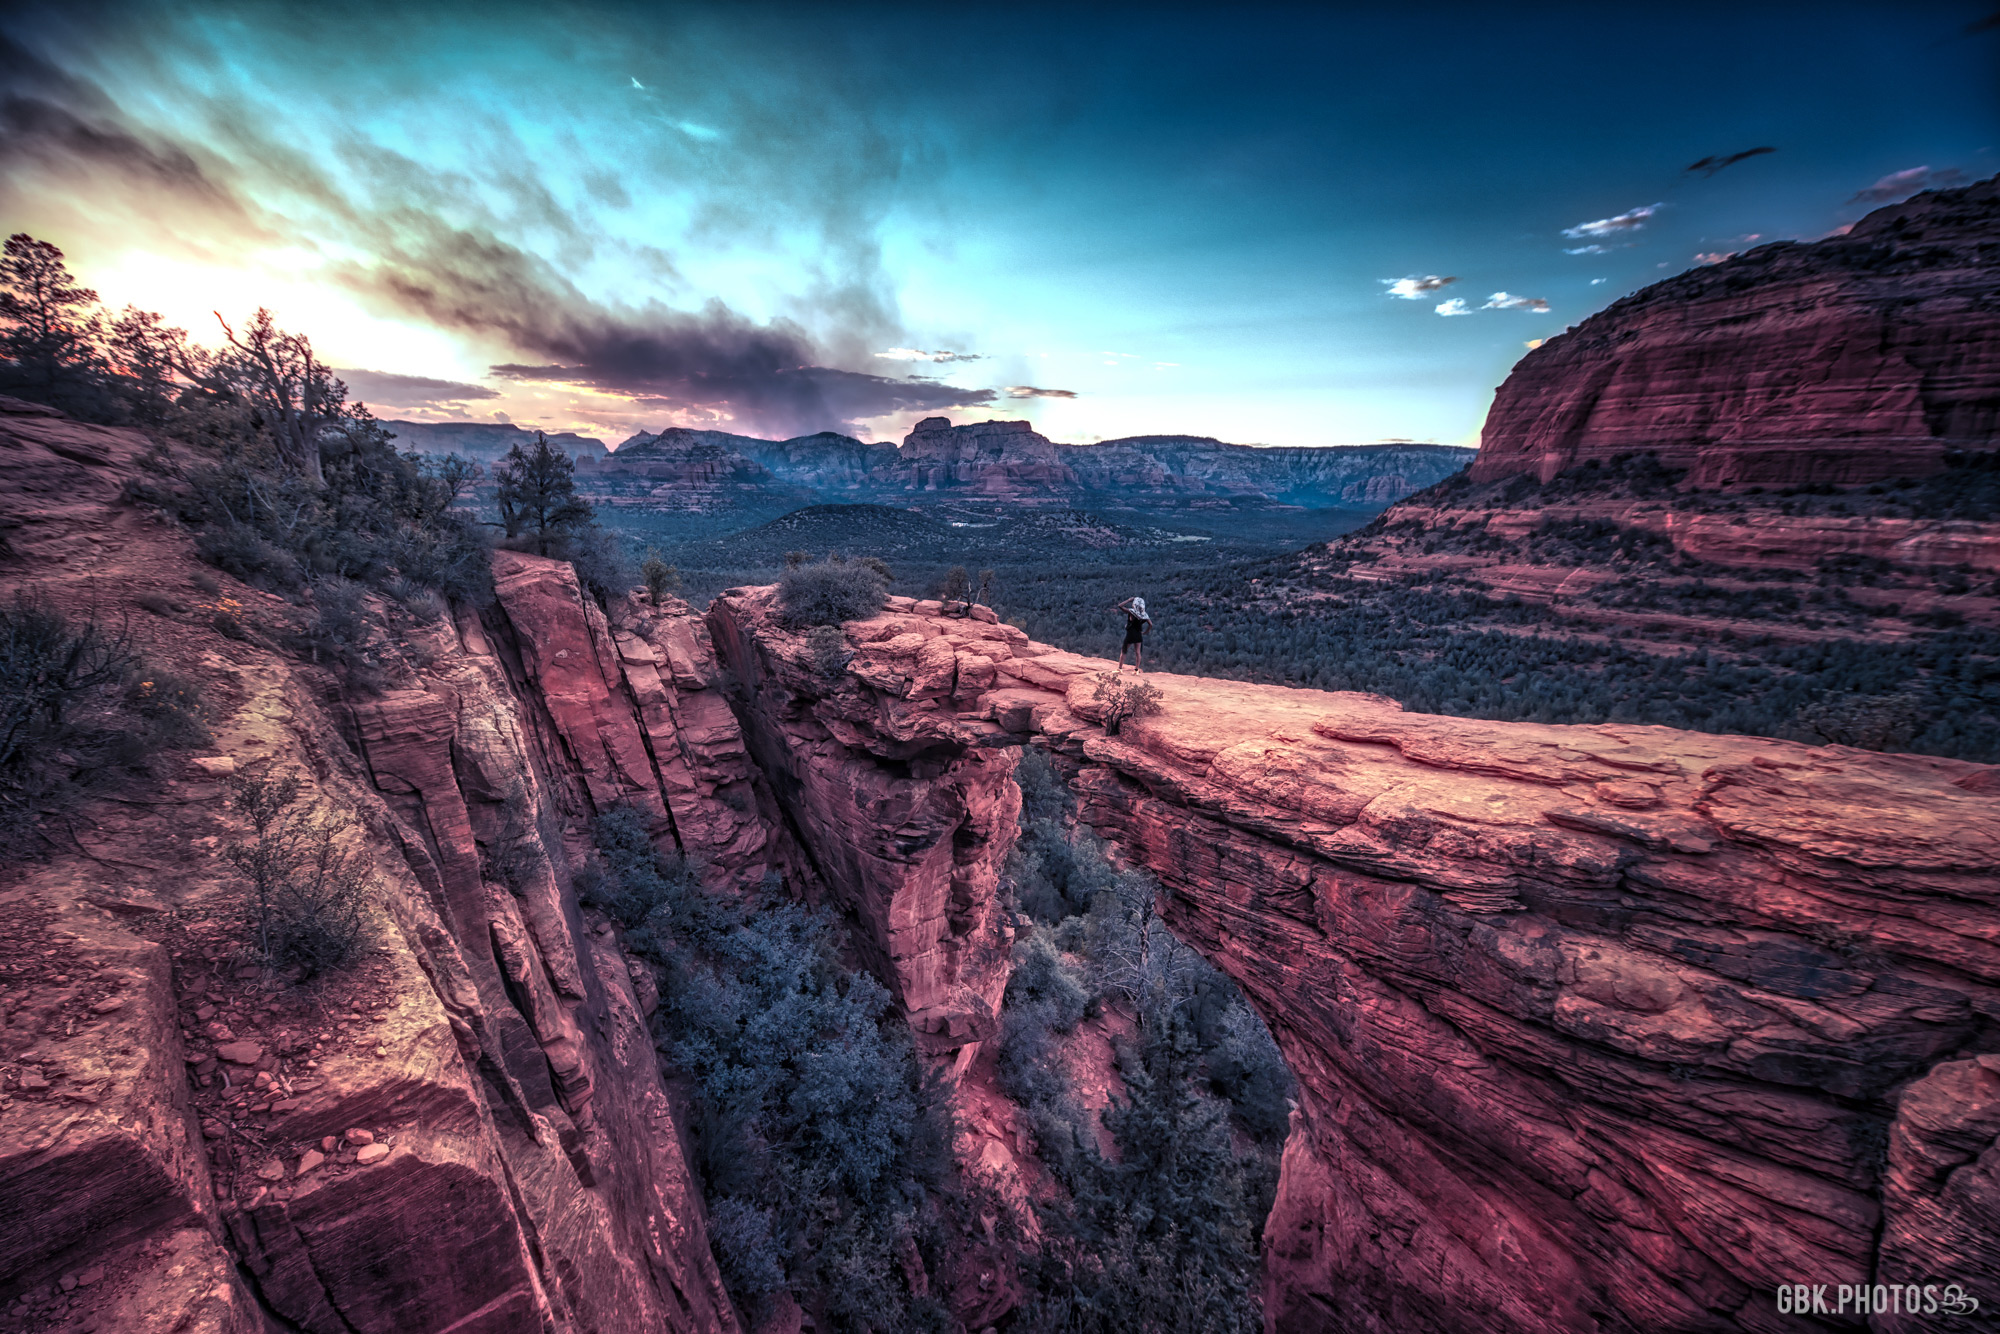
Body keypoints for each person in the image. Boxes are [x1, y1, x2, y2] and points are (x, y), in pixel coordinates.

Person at [1115, 595, 1151, 671]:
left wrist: (1128, 600)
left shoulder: (1132, 612)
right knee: (1138, 652)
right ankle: (1136, 670)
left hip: (1130, 634)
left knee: (1124, 651)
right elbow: (1151, 624)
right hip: (1138, 635)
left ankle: (1120, 669)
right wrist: (1145, 632)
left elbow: (1120, 606)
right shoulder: (1144, 614)